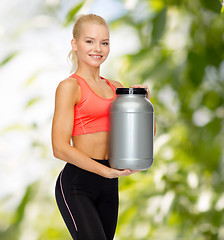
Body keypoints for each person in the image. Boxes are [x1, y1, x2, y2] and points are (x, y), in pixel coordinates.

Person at [52, 13, 155, 240]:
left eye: (104, 42)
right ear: (75, 44)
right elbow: (59, 148)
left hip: (108, 184)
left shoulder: (116, 88)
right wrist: (105, 171)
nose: (97, 48)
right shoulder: (70, 87)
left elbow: (144, 138)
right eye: (89, 41)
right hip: (78, 183)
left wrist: (144, 102)